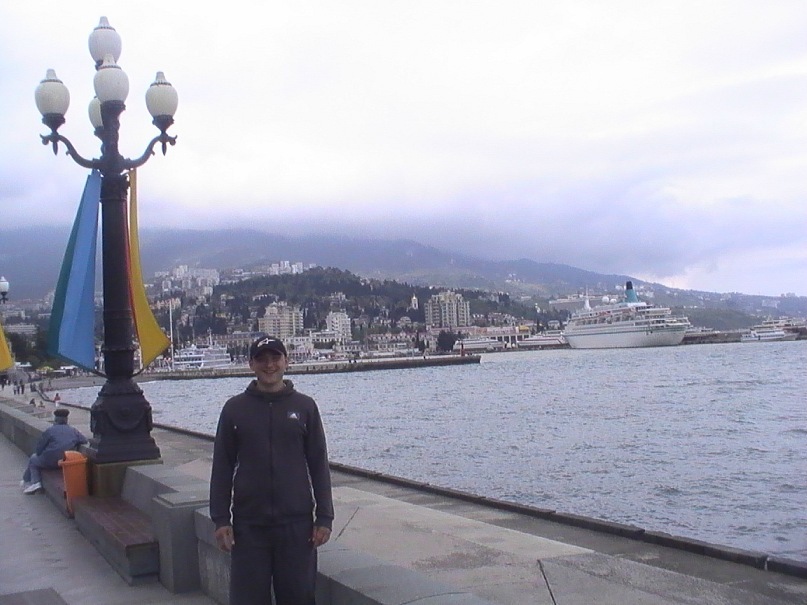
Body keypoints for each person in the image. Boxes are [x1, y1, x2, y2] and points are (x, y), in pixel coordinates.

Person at [210, 336, 334, 605]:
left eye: (275, 358)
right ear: (251, 364)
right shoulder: (234, 409)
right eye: (262, 359)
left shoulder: (305, 407)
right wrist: (220, 519)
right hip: (249, 526)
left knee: (299, 598)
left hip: (297, 526)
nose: (269, 365)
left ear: (286, 362)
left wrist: (325, 516)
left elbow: (318, 463)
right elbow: (222, 467)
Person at [21, 408, 87, 494]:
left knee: (33, 459)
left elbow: (39, 449)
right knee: (34, 459)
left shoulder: (50, 431)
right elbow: (84, 440)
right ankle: (26, 481)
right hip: (64, 462)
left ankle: (34, 482)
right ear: (66, 419)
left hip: (49, 462)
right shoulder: (74, 431)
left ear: (55, 419)